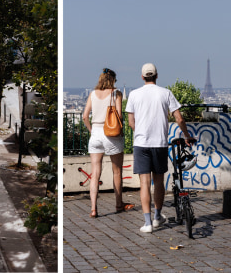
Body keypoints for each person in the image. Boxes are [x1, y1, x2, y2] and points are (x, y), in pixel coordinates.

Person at [125, 63, 193, 233]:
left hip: (141, 144)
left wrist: (141, 132)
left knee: (144, 184)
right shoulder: (165, 93)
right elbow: (179, 118)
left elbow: (131, 122)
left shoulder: (134, 94)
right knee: (159, 182)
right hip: (160, 143)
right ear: (156, 76)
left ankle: (147, 223)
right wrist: (186, 136)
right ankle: (157, 216)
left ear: (142, 77)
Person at [82, 68, 134, 218]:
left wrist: (92, 131)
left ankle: (93, 209)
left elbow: (85, 116)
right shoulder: (116, 94)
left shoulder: (92, 94)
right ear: (113, 80)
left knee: (95, 173)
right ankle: (118, 204)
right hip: (110, 134)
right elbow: (118, 115)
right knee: (117, 172)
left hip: (96, 134)